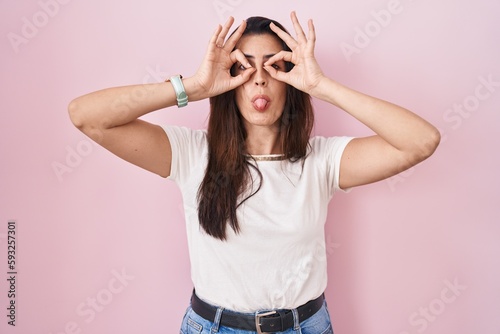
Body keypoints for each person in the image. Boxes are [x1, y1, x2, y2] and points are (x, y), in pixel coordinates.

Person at [68, 11, 440, 334]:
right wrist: (194, 86)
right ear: (228, 79)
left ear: (292, 79)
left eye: (274, 66)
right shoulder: (191, 154)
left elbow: (421, 141)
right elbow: (87, 116)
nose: (259, 79)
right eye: (244, 67)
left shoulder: (321, 161)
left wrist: (322, 87)